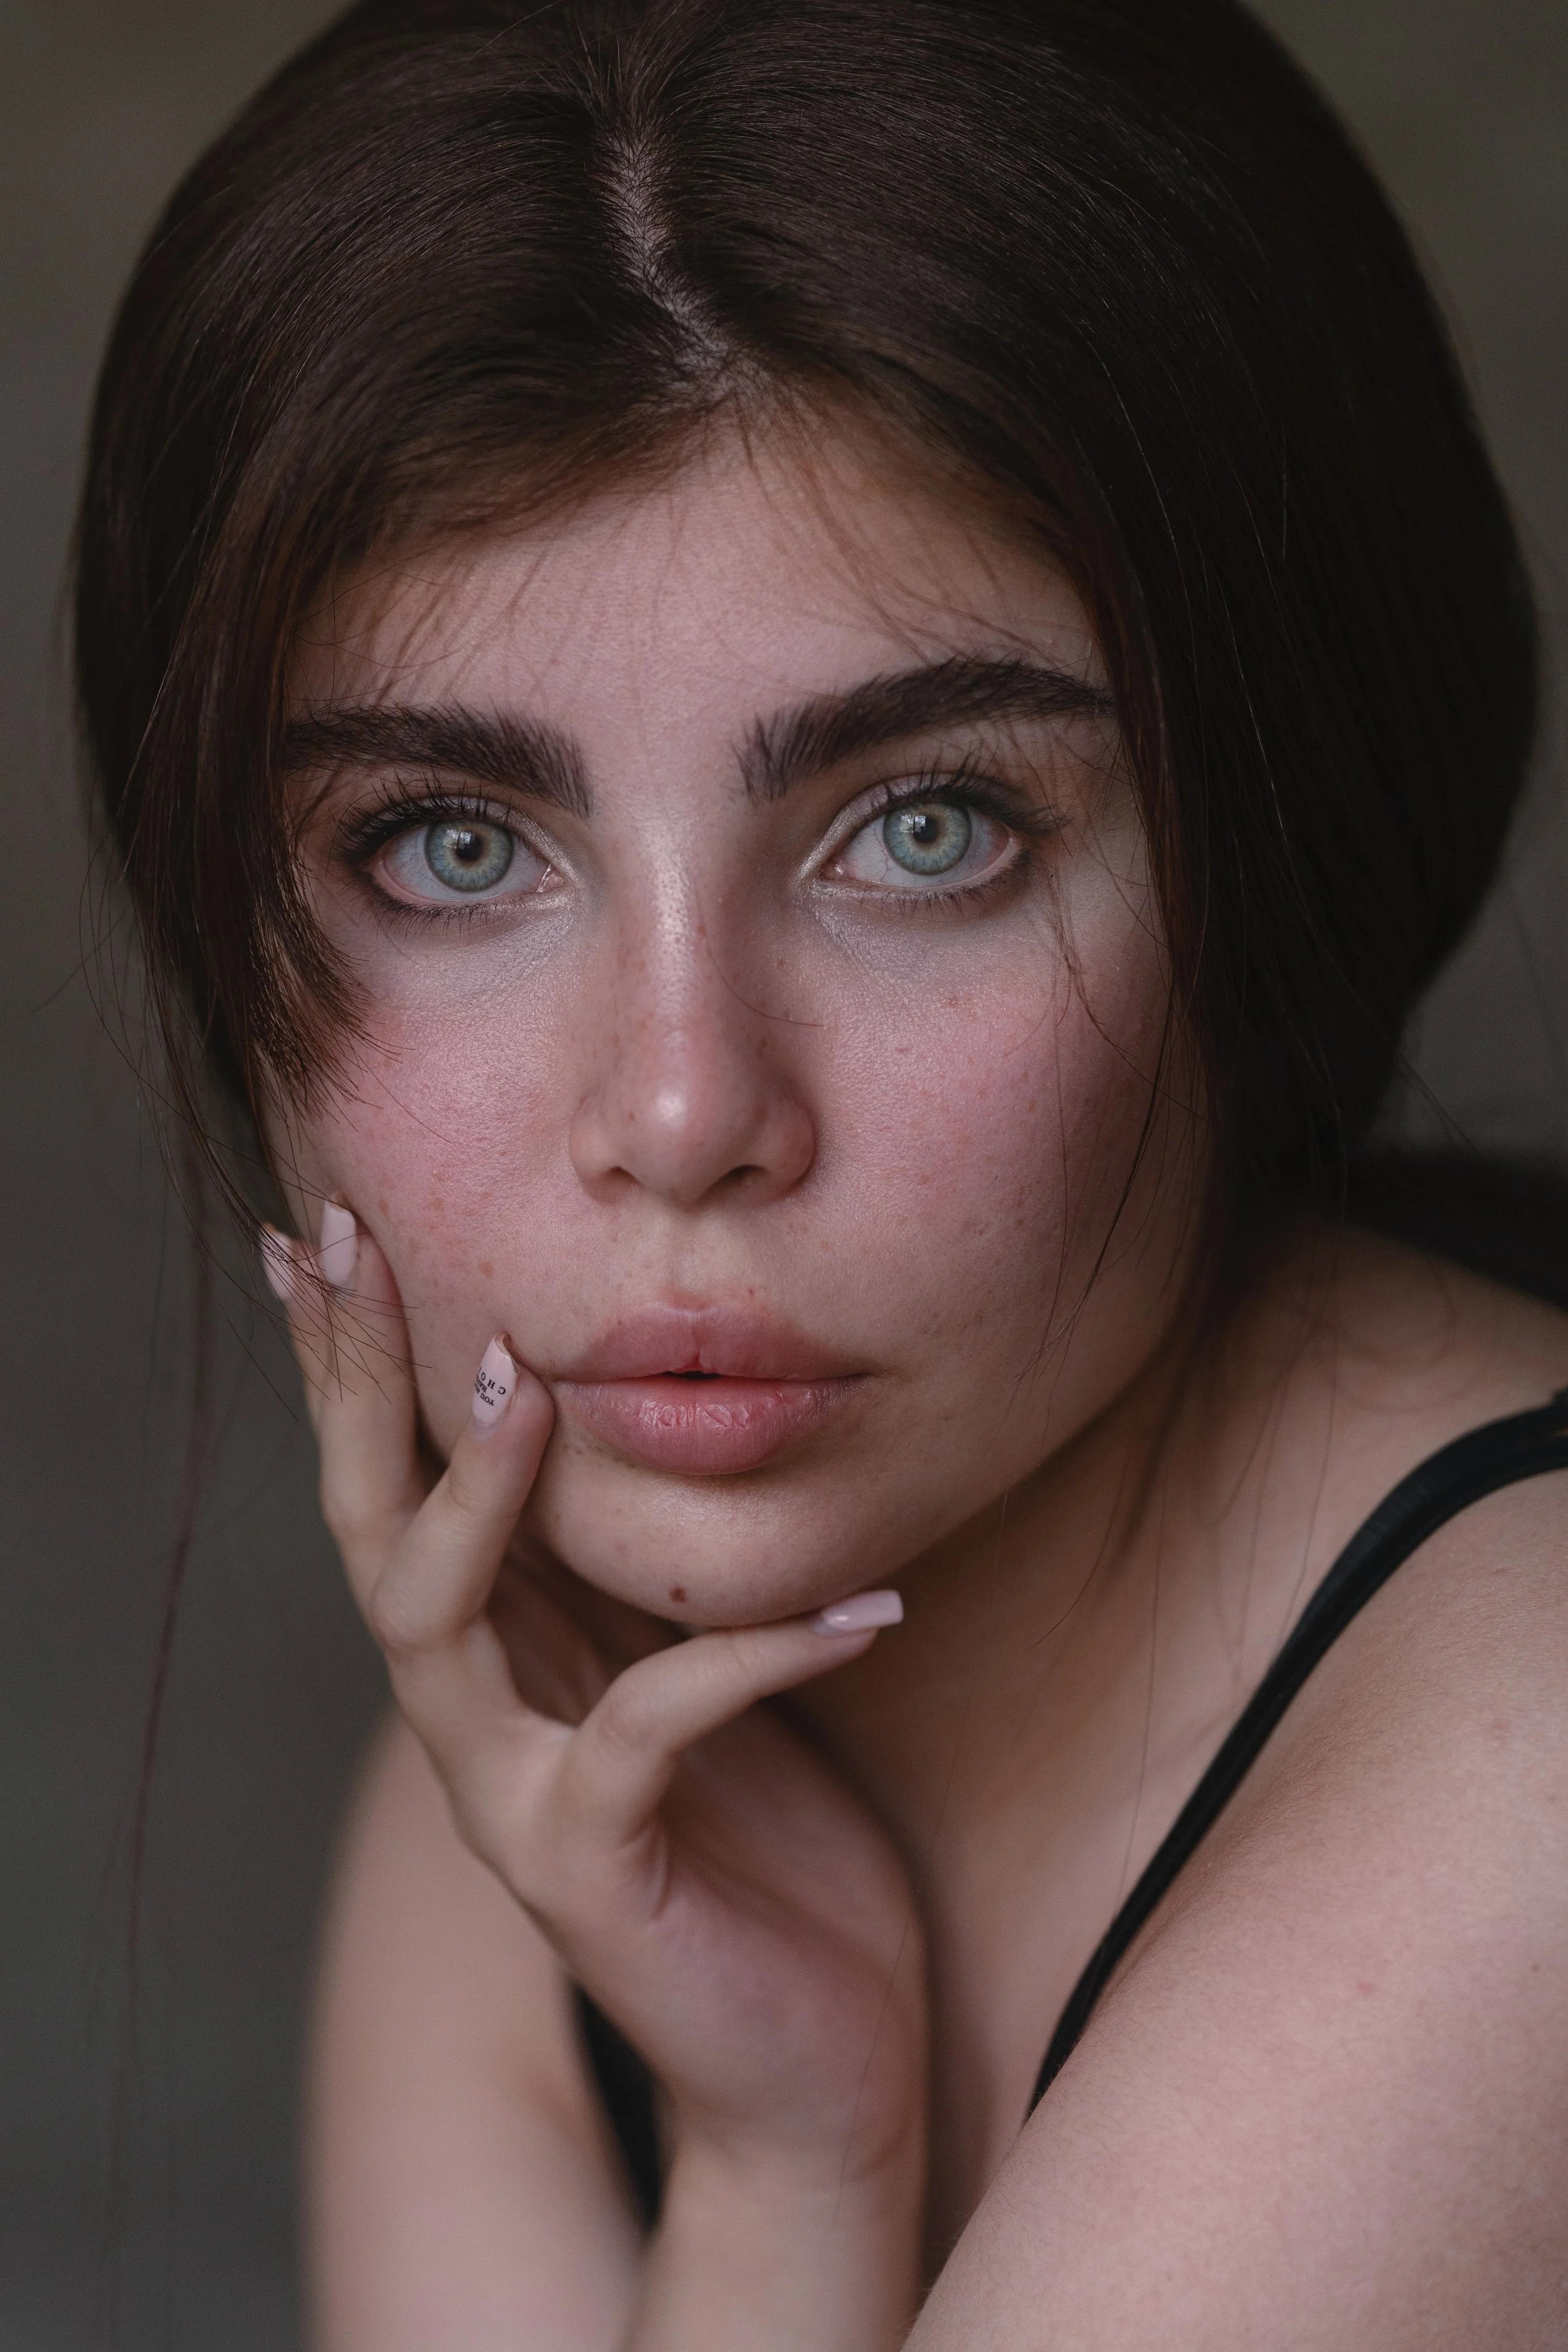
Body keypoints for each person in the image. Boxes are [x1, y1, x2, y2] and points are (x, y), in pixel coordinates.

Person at [73, 0, 1568, 2341]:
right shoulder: (569, 1784)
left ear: (1267, 868)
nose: (684, 1113)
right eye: (450, 846)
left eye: (930, 829)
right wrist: (785, 2173)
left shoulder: (1529, 1778)